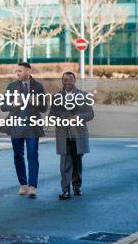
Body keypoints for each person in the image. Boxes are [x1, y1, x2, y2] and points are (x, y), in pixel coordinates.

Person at [0, 62, 47, 198]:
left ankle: (32, 186)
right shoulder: (12, 86)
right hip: (16, 126)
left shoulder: (38, 86)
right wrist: (14, 103)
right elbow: (3, 106)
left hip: (32, 127)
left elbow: (44, 107)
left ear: (28, 71)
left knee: (32, 155)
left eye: (20, 71)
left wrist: (36, 102)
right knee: (18, 156)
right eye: (17, 71)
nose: (17, 73)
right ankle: (23, 184)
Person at [50, 71, 94, 200]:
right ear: (62, 81)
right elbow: (52, 116)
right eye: (65, 80)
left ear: (75, 81)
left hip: (78, 135)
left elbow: (90, 114)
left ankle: (77, 186)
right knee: (64, 164)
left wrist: (79, 117)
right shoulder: (57, 97)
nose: (67, 82)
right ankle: (65, 190)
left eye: (70, 80)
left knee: (77, 162)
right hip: (63, 135)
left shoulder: (84, 96)